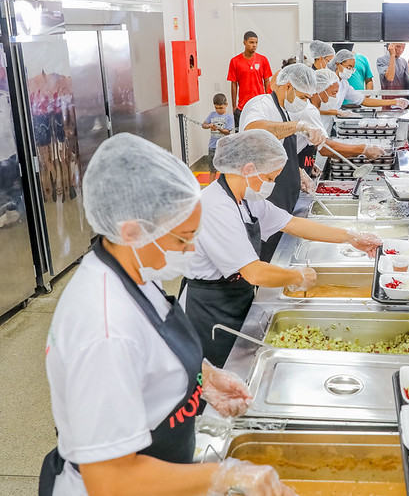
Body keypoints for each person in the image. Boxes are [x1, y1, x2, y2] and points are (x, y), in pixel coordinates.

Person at [40, 133, 297, 496]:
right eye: (183, 239)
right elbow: (110, 480)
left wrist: (201, 379)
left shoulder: (131, 269)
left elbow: (150, 350)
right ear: (132, 232)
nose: (192, 249)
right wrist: (222, 475)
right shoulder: (104, 328)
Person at [182, 130, 380, 367]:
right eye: (269, 178)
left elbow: (292, 223)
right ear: (248, 169)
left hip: (236, 298)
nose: (272, 185)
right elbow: (254, 272)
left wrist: (351, 237)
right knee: (220, 374)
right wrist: (297, 277)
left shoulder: (245, 198)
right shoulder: (215, 207)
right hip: (211, 310)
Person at [239, 63, 328, 261]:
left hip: (282, 201)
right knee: (263, 257)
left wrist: (298, 171)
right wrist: (298, 125)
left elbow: (274, 153)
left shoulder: (283, 111)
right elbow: (253, 130)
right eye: (303, 97)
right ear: (288, 86)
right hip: (264, 200)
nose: (305, 103)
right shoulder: (261, 104)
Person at [324, 49, 409, 130]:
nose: (350, 70)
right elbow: (317, 107)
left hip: (328, 125)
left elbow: (363, 100)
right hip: (319, 122)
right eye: (348, 67)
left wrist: (395, 102)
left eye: (352, 68)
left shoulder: (344, 84)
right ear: (338, 64)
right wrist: (337, 112)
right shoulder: (326, 80)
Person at [227, 30, 272, 129]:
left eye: (256, 42)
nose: (254, 45)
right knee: (241, 136)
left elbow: (267, 81)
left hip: (259, 105)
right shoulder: (235, 61)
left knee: (259, 134)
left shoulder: (263, 60)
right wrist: (234, 106)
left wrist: (268, 101)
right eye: (251, 42)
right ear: (244, 43)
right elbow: (233, 84)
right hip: (242, 106)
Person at [202, 93, 234, 181]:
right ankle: (211, 185)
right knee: (212, 169)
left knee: (225, 169)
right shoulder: (212, 114)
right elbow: (203, 125)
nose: (218, 110)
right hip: (213, 146)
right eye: (216, 108)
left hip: (224, 147)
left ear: (226, 104)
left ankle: (226, 186)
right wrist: (209, 126)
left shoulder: (229, 117)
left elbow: (227, 132)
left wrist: (218, 128)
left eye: (221, 108)